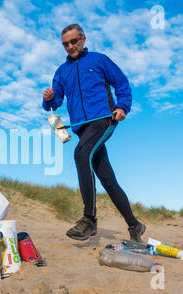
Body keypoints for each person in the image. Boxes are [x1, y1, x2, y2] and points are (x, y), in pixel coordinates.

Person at [42, 23, 146, 243]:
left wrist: (122, 106)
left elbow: (122, 84)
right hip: (81, 127)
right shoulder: (61, 72)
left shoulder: (99, 60)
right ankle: (135, 225)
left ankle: (89, 219)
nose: (70, 46)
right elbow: (55, 103)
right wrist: (49, 98)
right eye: (65, 44)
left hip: (103, 119)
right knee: (107, 178)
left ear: (83, 39)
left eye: (73, 41)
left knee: (81, 154)